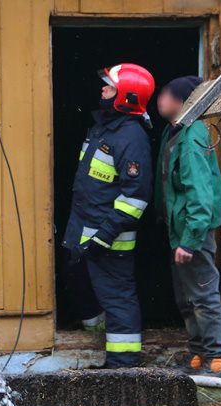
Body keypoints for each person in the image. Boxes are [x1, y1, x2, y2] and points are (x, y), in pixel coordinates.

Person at [63, 63, 155, 368]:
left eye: (110, 87)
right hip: (85, 233)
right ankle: (98, 337)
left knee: (118, 299)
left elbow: (135, 198)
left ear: (126, 96)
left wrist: (104, 236)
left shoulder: (131, 137)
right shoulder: (105, 128)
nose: (102, 89)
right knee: (75, 280)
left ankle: (123, 366)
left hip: (109, 239)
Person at [155, 76, 221, 375]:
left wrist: (191, 239)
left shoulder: (193, 135)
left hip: (191, 232)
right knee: (186, 297)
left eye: (165, 94)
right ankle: (198, 355)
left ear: (181, 102)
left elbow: (199, 192)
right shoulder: (174, 132)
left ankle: (216, 359)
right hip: (180, 230)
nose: (159, 99)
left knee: (203, 294)